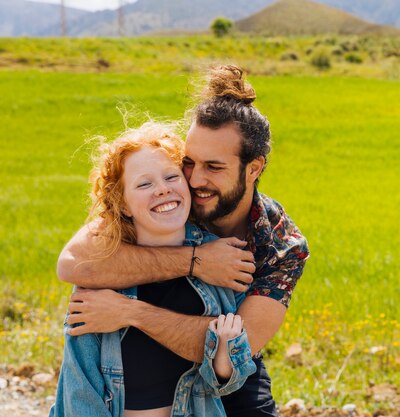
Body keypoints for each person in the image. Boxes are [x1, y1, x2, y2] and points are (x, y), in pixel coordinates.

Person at [56, 65, 310, 416]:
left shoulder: (282, 244)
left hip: (225, 373)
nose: (196, 179)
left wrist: (131, 313)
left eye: (215, 167)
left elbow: (237, 349)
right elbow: (73, 263)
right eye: (189, 162)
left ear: (254, 169)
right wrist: (196, 260)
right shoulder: (170, 197)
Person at [49, 121, 257, 417]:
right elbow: (80, 388)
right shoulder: (99, 276)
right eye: (144, 184)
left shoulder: (221, 262)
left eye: (171, 177)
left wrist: (224, 358)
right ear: (123, 205)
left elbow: (227, 381)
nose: (162, 190)